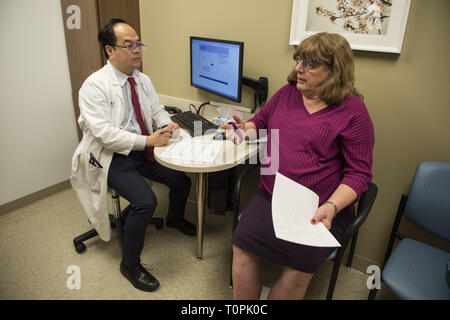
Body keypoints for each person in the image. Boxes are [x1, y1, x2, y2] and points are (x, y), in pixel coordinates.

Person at [222, 32, 375, 300]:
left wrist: (332, 206)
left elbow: (359, 174)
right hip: (271, 196)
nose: (298, 69)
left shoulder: (353, 112)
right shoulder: (286, 94)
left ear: (334, 71)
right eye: (299, 61)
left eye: (309, 64)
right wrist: (241, 130)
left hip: (319, 208)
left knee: (298, 270)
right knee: (242, 247)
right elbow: (260, 122)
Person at [70, 19, 195, 292]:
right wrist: (149, 139)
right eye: (129, 45)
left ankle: (174, 217)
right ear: (109, 51)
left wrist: (167, 124)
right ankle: (129, 264)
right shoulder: (94, 87)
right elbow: (105, 135)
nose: (137, 50)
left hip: (143, 148)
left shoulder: (142, 79)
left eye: (139, 44)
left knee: (182, 181)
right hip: (110, 157)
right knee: (145, 201)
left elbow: (156, 109)